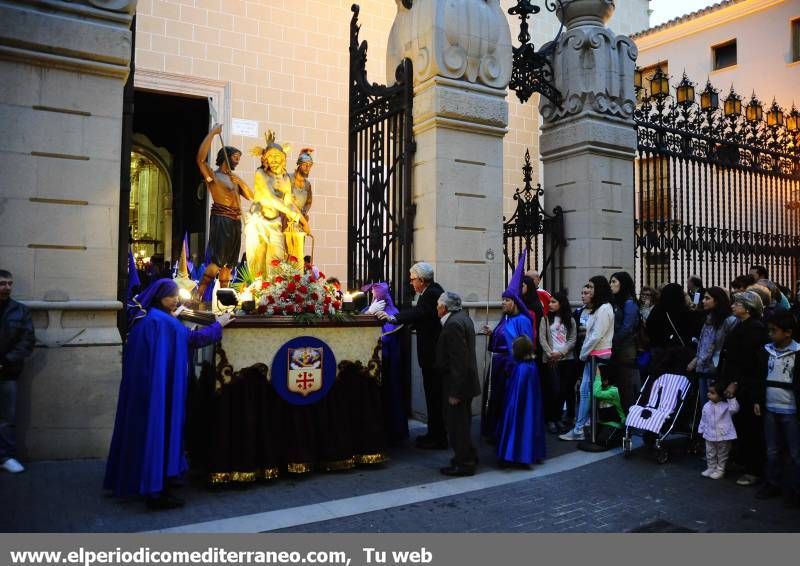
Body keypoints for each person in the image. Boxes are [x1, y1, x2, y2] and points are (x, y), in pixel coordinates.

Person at [104, 279, 232, 509]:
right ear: (160, 295)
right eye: (171, 296)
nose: (175, 299)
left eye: (176, 295)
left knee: (143, 432)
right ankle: (156, 491)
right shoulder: (164, 322)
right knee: (159, 432)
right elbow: (194, 339)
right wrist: (219, 324)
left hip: (144, 389)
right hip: (159, 391)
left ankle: (139, 479)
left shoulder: (146, 317)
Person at [376, 263, 445, 449]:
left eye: (413, 279)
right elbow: (425, 317)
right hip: (430, 355)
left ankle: (438, 437)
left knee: (435, 396)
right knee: (432, 396)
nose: (411, 282)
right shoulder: (430, 292)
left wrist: (393, 318)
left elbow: (420, 313)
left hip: (433, 356)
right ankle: (434, 433)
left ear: (422, 280)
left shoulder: (431, 293)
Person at [194, 123, 254, 300]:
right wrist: (212, 133)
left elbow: (250, 196)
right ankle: (200, 293)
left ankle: (223, 298)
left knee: (229, 264)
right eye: (235, 157)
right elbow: (200, 160)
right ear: (226, 157)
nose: (237, 160)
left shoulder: (233, 179)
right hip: (222, 220)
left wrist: (240, 180)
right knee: (217, 261)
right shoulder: (214, 177)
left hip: (235, 222)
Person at [717, 290, 769, 487]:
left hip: (747, 385)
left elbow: (749, 361)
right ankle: (744, 461)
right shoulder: (742, 325)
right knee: (742, 425)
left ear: (747, 308)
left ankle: (753, 469)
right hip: (740, 382)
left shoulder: (754, 329)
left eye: (737, 304)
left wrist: (735, 382)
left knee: (750, 427)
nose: (733, 306)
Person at [481, 252, 535, 443]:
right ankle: (493, 431)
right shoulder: (505, 318)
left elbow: (525, 345)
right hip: (497, 365)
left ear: (515, 302)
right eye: (503, 299)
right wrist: (492, 334)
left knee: (505, 402)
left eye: (507, 300)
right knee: (494, 400)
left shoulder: (522, 320)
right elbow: (503, 336)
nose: (503, 302)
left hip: (510, 368)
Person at [246, 130, 310, 276]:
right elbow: (268, 198)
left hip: (274, 223)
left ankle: (273, 295)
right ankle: (256, 293)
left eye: (277, 156)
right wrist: (293, 214)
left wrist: (302, 221)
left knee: (276, 261)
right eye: (270, 157)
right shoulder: (260, 174)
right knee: (257, 261)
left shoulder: (286, 179)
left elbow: (288, 202)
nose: (273, 160)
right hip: (257, 221)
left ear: (283, 158)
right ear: (265, 160)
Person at [754, 311, 800, 505]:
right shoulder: (766, 351)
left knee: (794, 452)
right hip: (770, 405)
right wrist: (758, 400)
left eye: (774, 331)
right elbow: (758, 377)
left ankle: (794, 489)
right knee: (772, 449)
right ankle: (773, 483)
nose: (770, 334)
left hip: (791, 407)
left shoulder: (797, 352)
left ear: (787, 332)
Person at [560, 276, 614, 441]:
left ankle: (582, 428)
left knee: (589, 393)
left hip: (597, 356)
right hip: (592, 355)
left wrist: (583, 354)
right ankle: (580, 427)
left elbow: (595, 335)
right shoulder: (600, 308)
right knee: (585, 392)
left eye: (591, 287)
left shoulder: (605, 308)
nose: (588, 290)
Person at [435, 292, 480, 476]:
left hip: (458, 385)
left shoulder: (453, 324)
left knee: (457, 426)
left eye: (438, 305)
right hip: (465, 383)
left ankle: (464, 463)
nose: (436, 308)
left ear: (444, 307)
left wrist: (455, 392)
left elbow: (459, 362)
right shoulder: (463, 318)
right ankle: (467, 456)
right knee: (462, 424)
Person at [362, 281, 408, 444]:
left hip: (387, 364)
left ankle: (392, 432)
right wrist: (368, 313)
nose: (375, 298)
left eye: (377, 295)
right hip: (371, 364)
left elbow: (387, 337)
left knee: (390, 396)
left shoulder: (392, 312)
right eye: (374, 295)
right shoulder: (370, 308)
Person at [0, 270, 35, 474]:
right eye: (3, 283)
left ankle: (5, 456)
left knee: (7, 418)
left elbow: (27, 340)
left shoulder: (20, 311)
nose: (7, 287)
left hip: (8, 372)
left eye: (9, 284)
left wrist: (6, 361)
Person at [496, 335, 546, 467]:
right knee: (529, 423)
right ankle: (529, 453)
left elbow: (516, 394)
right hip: (530, 406)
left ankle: (513, 455)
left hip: (517, 406)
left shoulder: (521, 369)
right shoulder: (531, 366)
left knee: (517, 425)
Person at [687, 287, 738, 402]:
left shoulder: (729, 321)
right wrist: (696, 360)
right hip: (703, 366)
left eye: (707, 298)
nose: (703, 301)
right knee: (705, 405)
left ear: (717, 301)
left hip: (717, 369)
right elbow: (703, 343)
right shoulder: (709, 318)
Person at [539, 291, 577, 433]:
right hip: (551, 360)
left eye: (554, 302)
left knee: (563, 390)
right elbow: (542, 338)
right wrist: (551, 354)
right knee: (553, 390)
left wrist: (561, 352)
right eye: (550, 302)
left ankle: (558, 418)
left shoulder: (570, 320)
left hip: (566, 359)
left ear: (561, 303)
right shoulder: (545, 319)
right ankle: (550, 419)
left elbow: (573, 339)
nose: (550, 304)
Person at [610, 271, 640, 411]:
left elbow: (627, 327)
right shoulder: (617, 301)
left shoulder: (629, 302)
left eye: (614, 282)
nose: (611, 285)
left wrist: (613, 341)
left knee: (627, 384)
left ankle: (631, 417)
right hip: (617, 346)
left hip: (626, 348)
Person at [698, 383, 739, 480]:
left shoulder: (727, 406)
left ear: (721, 396)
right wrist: (701, 429)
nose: (708, 394)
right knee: (710, 452)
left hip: (723, 435)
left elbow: (735, 408)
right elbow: (703, 418)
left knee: (722, 454)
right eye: (708, 392)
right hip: (709, 434)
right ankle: (711, 468)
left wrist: (731, 398)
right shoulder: (707, 405)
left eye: (712, 393)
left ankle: (720, 470)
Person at [284, 147, 314, 266]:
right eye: (305, 164)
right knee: (288, 252)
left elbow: (309, 201)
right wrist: (301, 219)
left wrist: (304, 212)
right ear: (299, 165)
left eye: (310, 165)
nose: (308, 168)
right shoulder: (289, 179)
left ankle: (297, 279)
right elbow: (288, 203)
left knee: (298, 253)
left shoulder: (307, 185)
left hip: (300, 222)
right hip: (287, 220)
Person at [592, 363, 626, 445]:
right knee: (597, 439)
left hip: (615, 423)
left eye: (600, 380)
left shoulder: (614, 391)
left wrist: (597, 377)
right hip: (604, 422)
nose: (597, 382)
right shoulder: (604, 388)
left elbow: (596, 393)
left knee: (601, 442)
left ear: (606, 381)